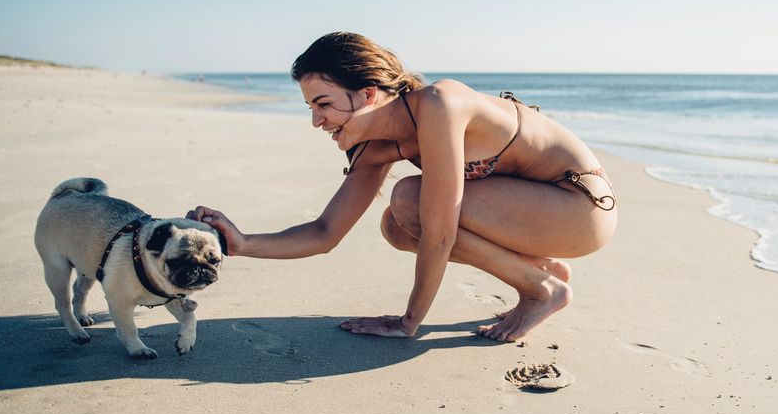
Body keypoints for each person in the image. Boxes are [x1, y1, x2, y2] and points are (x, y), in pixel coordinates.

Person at [188, 32, 617, 341]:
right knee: (396, 225)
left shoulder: (439, 104)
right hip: (534, 213)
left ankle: (541, 291)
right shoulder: (373, 148)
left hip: (580, 209)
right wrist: (241, 243)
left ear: (368, 94)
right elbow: (324, 234)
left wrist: (408, 321)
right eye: (310, 107)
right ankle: (539, 270)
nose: (316, 121)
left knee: (411, 201)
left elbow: (442, 230)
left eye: (324, 104)